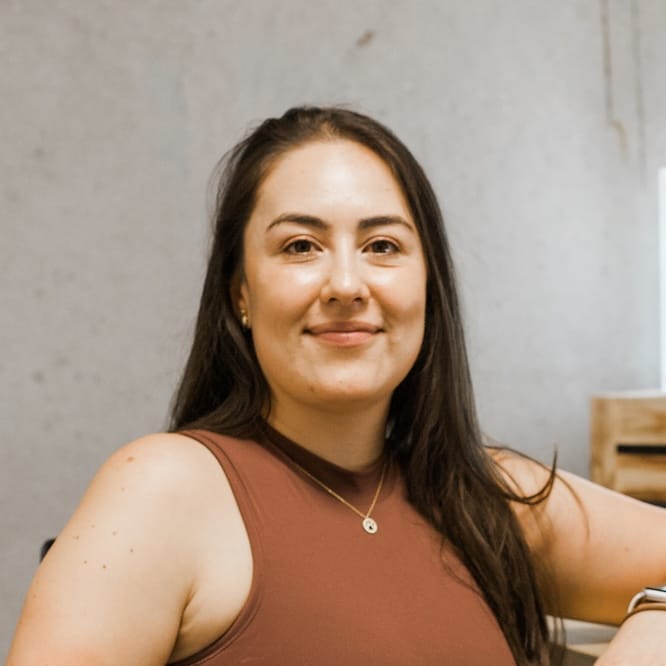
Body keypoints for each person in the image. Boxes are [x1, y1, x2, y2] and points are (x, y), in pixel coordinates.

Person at [7, 106, 666, 666]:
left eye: (382, 246)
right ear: (241, 291)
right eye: (300, 246)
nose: (347, 285)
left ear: (428, 287)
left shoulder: (485, 498)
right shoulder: (163, 490)